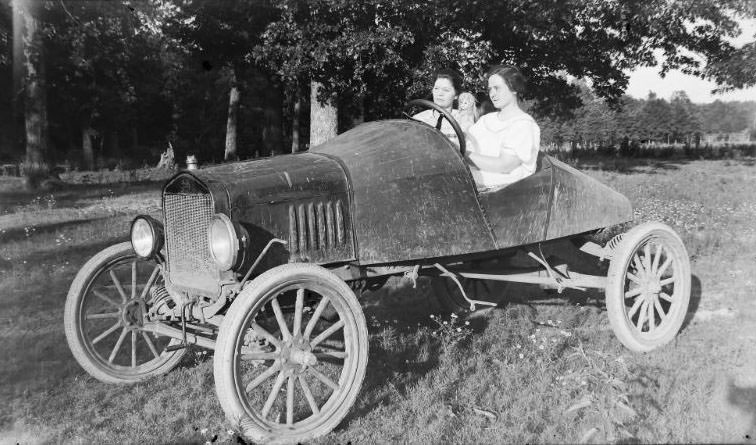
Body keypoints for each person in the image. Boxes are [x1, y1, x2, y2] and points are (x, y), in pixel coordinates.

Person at [465, 65, 540, 190]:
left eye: (497, 88)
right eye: (490, 90)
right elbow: (467, 143)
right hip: (473, 188)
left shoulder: (524, 124)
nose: (492, 94)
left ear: (514, 89)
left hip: (508, 196)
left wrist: (463, 153)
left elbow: (505, 165)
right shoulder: (485, 120)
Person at [412, 69, 464, 145]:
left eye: (446, 90)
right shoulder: (419, 119)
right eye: (436, 88)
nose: (439, 93)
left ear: (456, 95)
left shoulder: (464, 120)